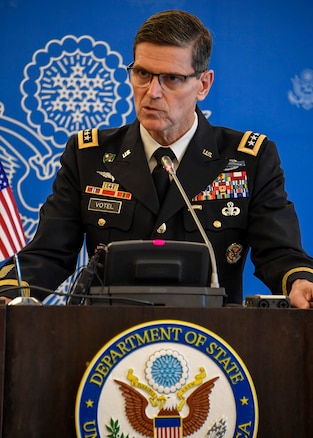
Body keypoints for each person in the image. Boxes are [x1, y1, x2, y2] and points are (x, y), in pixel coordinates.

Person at [1, 9, 313, 308]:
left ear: (203, 85)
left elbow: (280, 254)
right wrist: (6, 292)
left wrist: (300, 282)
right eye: (142, 73)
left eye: (172, 79)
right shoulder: (89, 156)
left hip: (211, 343)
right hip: (107, 342)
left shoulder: (248, 159)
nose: (152, 92)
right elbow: (49, 253)